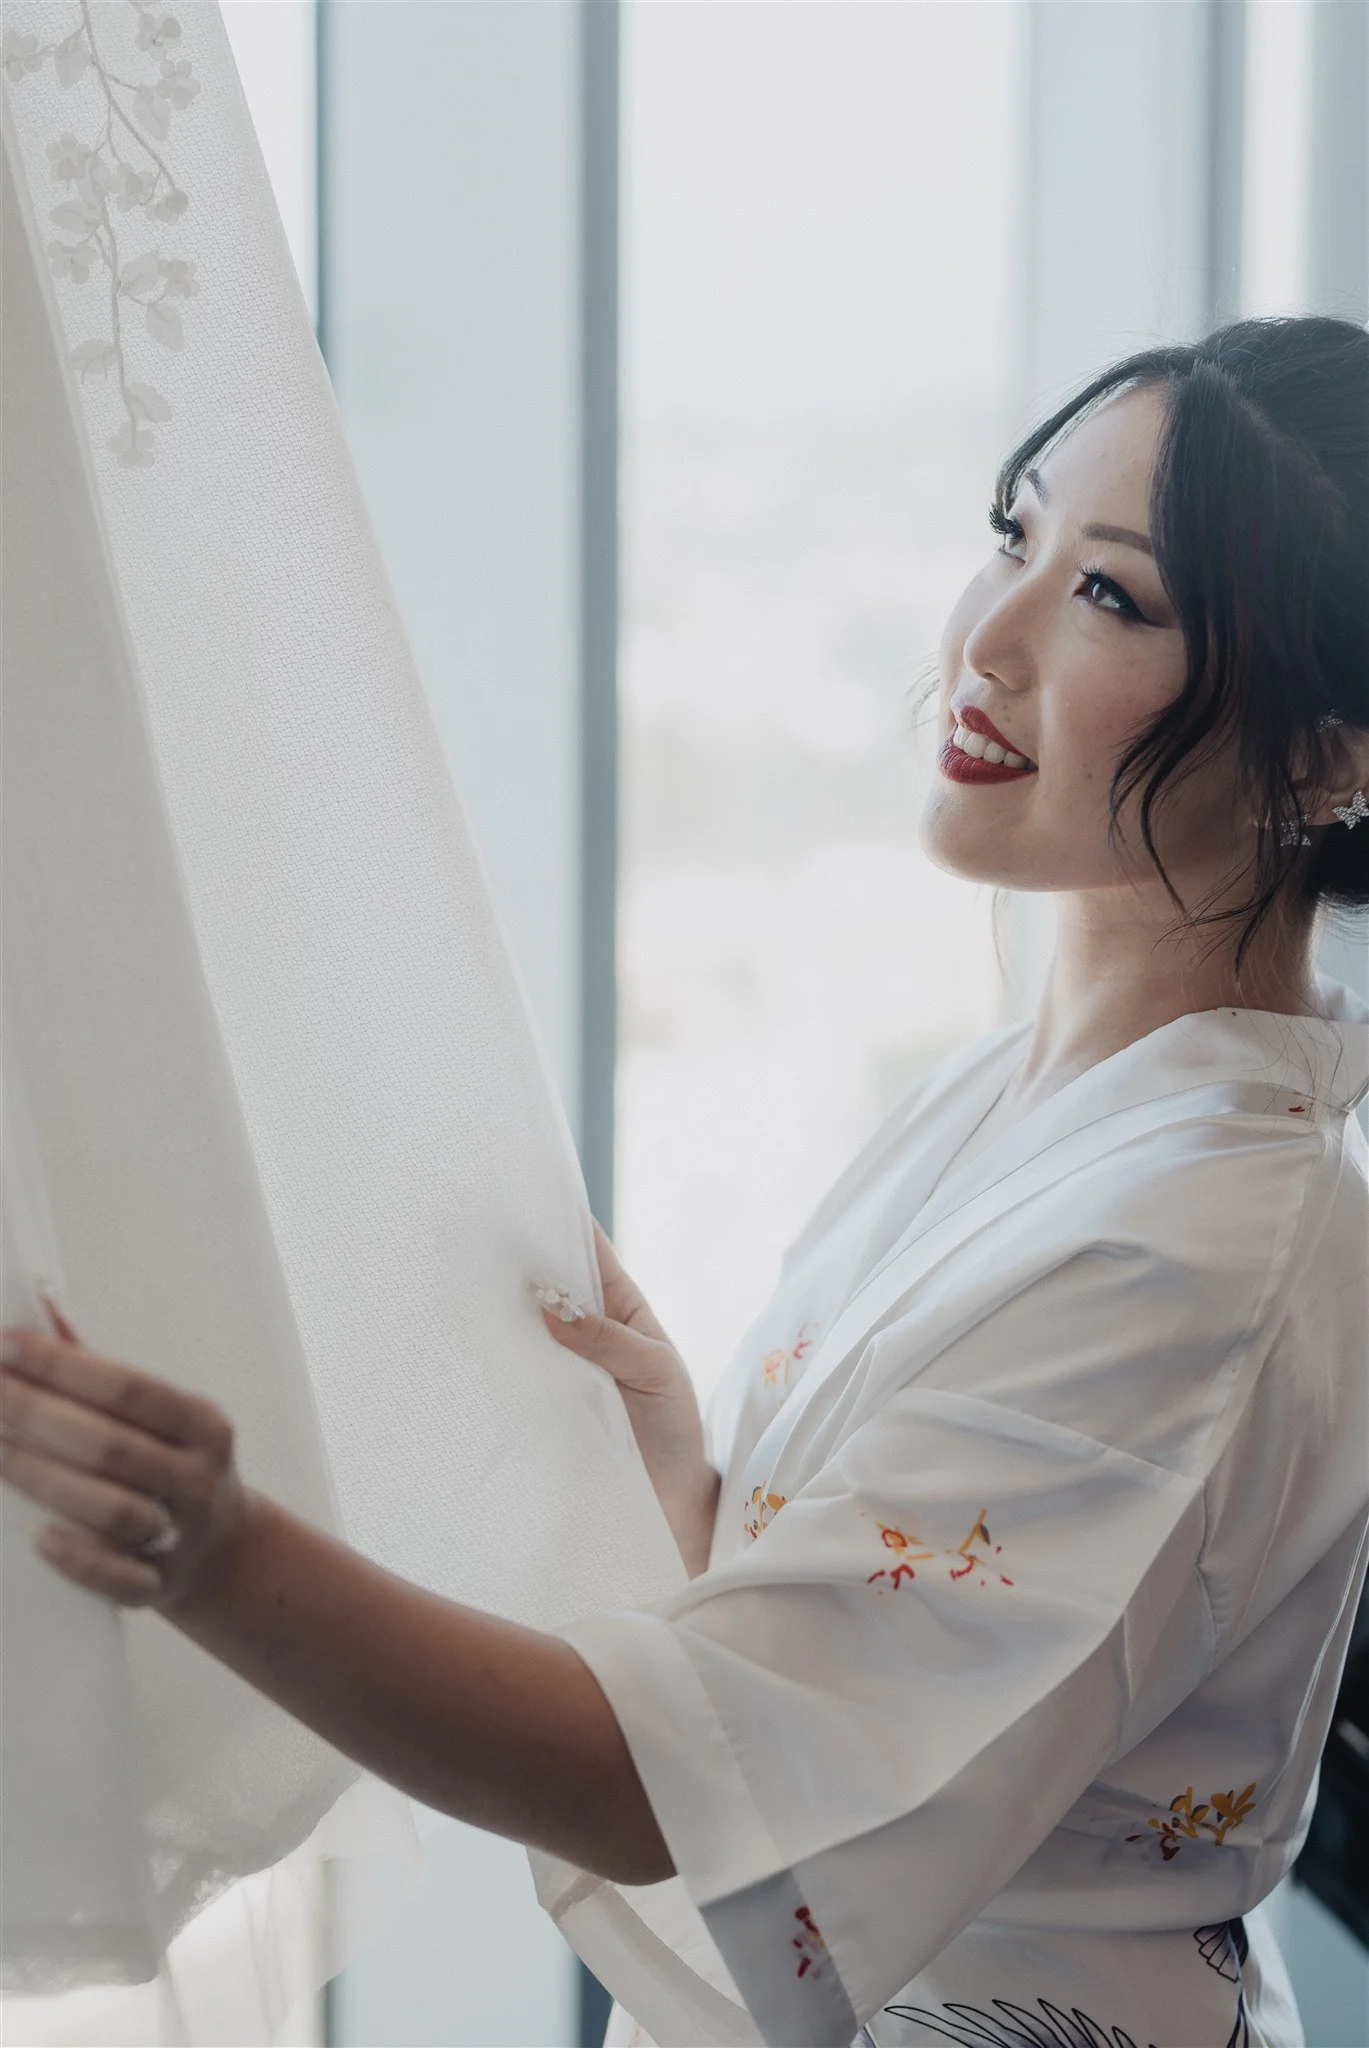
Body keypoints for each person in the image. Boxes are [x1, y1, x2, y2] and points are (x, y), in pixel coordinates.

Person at [2, 315, 1366, 2048]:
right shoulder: (1055, 1090)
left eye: (1113, 599)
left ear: (1330, 759)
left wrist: (219, 1551)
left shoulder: (1204, 1246)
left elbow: (673, 1783)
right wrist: (701, 1486)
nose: (987, 640)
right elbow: (957, 1667)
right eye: (1015, 539)